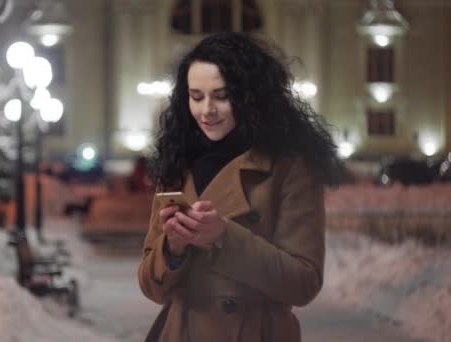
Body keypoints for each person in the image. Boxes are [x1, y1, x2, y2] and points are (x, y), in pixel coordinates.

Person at [137, 32, 343, 342]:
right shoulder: (177, 163)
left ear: (249, 96)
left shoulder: (289, 167)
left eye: (221, 95)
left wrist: (223, 236)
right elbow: (151, 287)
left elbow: (304, 283)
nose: (207, 110)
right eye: (196, 96)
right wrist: (173, 249)